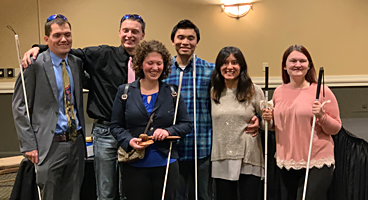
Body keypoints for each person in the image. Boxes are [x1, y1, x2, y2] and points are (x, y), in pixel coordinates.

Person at [21, 14, 146, 200]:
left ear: (142, 35)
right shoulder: (102, 54)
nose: (130, 35)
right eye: (126, 30)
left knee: (130, 190)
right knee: (106, 192)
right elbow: (67, 49)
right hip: (106, 132)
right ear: (119, 32)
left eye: (135, 31)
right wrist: (39, 48)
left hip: (135, 132)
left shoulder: (148, 63)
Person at [164, 19, 259, 200]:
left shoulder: (210, 71)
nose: (185, 42)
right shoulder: (164, 71)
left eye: (191, 38)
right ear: (173, 40)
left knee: (206, 196)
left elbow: (234, 98)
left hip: (204, 147)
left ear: (197, 42)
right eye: (181, 37)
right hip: (172, 147)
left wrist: (257, 119)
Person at [12, 14, 85, 200]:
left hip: (75, 143)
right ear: (46, 39)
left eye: (67, 34)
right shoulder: (33, 64)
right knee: (49, 195)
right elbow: (20, 106)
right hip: (49, 145)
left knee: (73, 195)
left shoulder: (76, 63)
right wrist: (28, 144)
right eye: (57, 35)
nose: (64, 39)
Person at [110, 40, 192, 200]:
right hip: (134, 163)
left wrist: (168, 131)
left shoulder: (172, 92)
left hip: (166, 163)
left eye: (159, 63)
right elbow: (115, 126)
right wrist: (129, 140)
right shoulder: (124, 91)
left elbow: (186, 124)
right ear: (140, 64)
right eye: (150, 63)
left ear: (165, 65)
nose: (155, 68)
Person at [263, 44, 341, 200]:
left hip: (317, 159)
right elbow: (280, 127)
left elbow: (336, 128)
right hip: (288, 160)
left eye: (302, 61)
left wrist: (322, 116)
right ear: (285, 66)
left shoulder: (322, 91)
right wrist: (269, 120)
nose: (297, 65)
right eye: (292, 61)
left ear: (309, 65)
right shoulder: (279, 91)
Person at [210, 46, 264, 200]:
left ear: (241, 66)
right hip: (222, 156)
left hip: (248, 157)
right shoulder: (214, 92)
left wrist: (260, 122)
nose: (229, 67)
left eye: (234, 63)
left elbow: (269, 124)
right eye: (225, 63)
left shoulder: (254, 91)